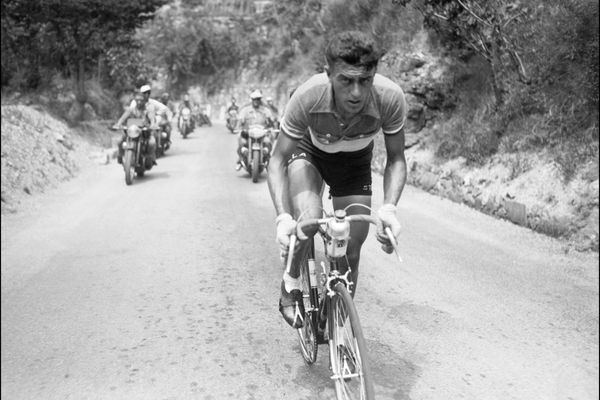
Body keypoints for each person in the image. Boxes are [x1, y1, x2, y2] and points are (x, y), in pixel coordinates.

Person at [267, 30, 407, 328]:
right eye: (346, 80)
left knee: (352, 245)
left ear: (375, 75)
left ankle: (337, 318)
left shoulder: (390, 98)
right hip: (310, 153)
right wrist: (282, 218)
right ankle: (291, 281)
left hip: (354, 162)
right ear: (328, 74)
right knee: (310, 218)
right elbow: (278, 159)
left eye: (365, 80)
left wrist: (390, 209)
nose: (356, 92)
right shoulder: (308, 96)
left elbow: (396, 159)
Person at [113, 89, 158, 166]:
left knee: (152, 142)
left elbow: (151, 118)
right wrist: (118, 124)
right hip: (132, 131)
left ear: (144, 101)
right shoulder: (131, 109)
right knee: (120, 141)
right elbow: (123, 117)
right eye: (137, 100)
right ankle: (120, 156)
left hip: (144, 132)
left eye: (141, 100)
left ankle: (150, 158)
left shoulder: (147, 110)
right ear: (135, 101)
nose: (139, 102)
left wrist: (152, 124)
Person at [235, 89, 275, 170]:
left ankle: (267, 157)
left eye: (258, 99)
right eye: (254, 99)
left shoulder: (265, 110)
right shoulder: (246, 110)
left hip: (262, 133)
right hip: (248, 132)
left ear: (260, 100)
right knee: (241, 140)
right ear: (252, 100)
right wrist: (239, 128)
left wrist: (271, 127)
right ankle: (240, 159)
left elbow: (271, 120)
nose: (256, 101)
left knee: (268, 141)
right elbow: (240, 121)